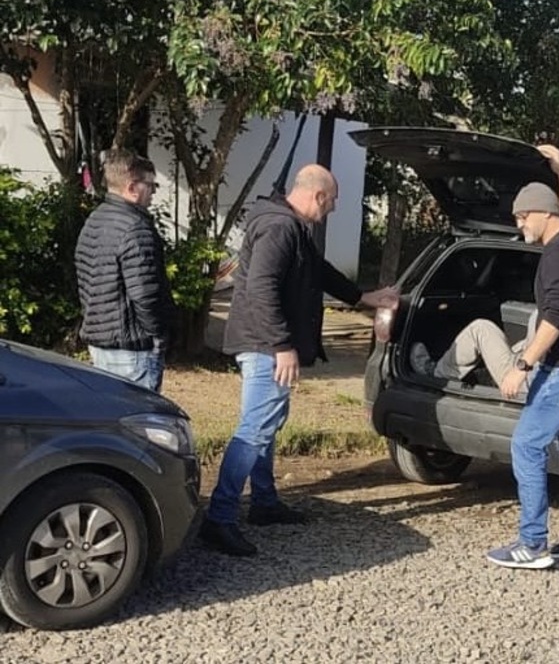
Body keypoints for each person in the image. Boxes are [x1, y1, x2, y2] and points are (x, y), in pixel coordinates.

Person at [200, 164, 398, 557]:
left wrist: (362, 297)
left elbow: (318, 270)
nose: (332, 209)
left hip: (264, 343)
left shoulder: (290, 226)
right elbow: (261, 288)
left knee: (267, 425)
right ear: (318, 195)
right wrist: (281, 345)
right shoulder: (280, 227)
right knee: (255, 429)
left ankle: (264, 503)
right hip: (264, 346)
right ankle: (219, 518)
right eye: (333, 201)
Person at [485, 145, 559, 569]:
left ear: (542, 213)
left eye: (522, 217)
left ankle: (533, 544)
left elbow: (555, 317)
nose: (519, 225)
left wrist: (521, 366)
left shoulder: (558, 254)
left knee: (526, 445)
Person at [74, 150, 173, 392]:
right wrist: (158, 335)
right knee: (137, 414)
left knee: (109, 412)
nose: (153, 192)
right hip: (132, 349)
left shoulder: (95, 220)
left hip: (101, 341)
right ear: (132, 187)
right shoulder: (136, 229)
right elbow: (145, 294)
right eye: (150, 185)